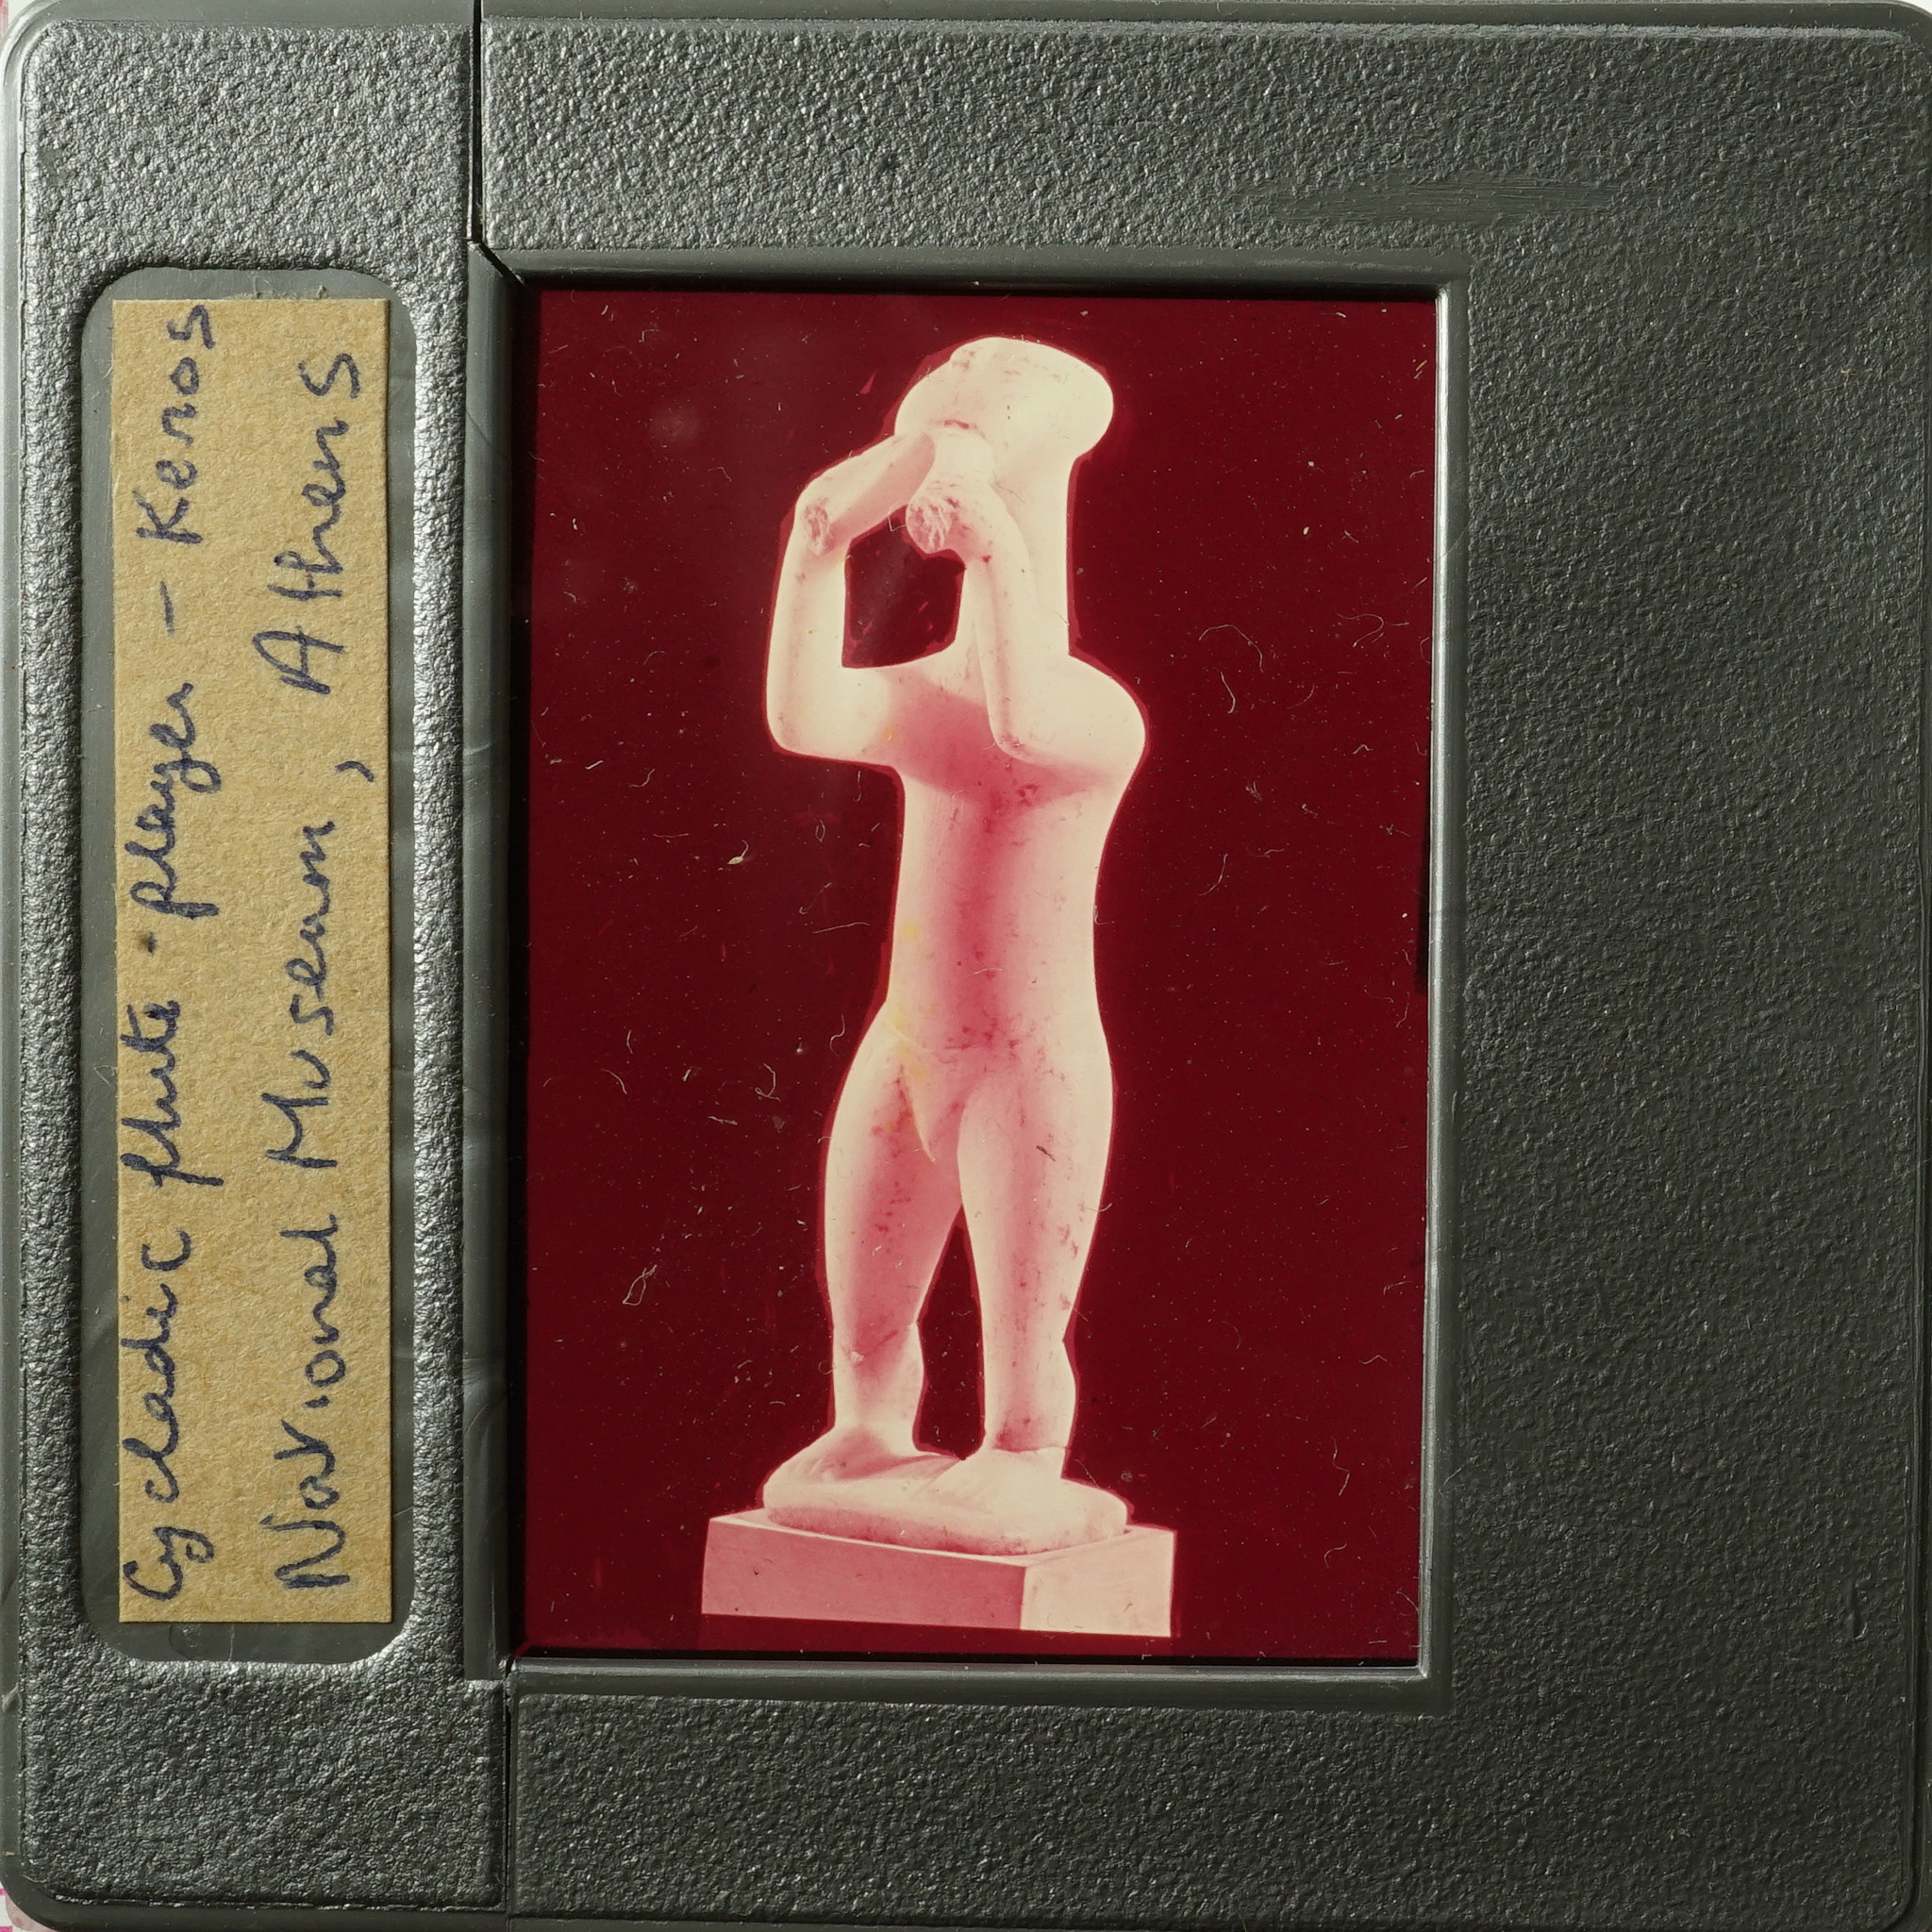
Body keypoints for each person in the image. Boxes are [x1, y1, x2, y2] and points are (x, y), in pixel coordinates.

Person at [759, 337, 1145, 1556]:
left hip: (1029, 1062)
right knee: (866, 1312)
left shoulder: (1094, 713)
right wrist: (816, 548)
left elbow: (1022, 727)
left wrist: (1002, 552)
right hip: (911, 1044)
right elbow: (802, 716)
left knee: (1026, 1331)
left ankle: (1025, 1455)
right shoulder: (924, 697)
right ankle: (869, 1430)